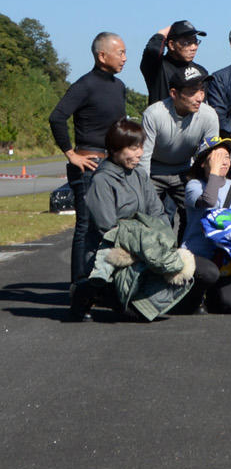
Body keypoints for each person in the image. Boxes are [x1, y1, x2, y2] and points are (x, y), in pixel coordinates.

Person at [67, 117, 168, 320]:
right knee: (139, 314)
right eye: (132, 148)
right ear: (114, 150)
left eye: (140, 147)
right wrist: (144, 247)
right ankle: (87, 290)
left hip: (143, 247)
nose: (139, 153)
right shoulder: (101, 180)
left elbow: (159, 213)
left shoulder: (140, 175)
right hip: (111, 252)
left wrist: (161, 240)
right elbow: (108, 229)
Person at [49, 31, 128, 287]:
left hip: (114, 166)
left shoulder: (119, 87)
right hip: (89, 166)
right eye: (121, 52)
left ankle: (106, 283)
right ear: (102, 55)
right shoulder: (85, 84)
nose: (125, 58)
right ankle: (79, 287)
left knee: (111, 227)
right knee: (86, 226)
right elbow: (57, 117)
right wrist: (71, 154)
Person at [140, 63, 220, 235]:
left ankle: (186, 253)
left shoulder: (209, 115)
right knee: (150, 219)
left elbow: (211, 156)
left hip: (186, 170)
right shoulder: (154, 114)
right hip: (154, 171)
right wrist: (143, 193)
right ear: (174, 94)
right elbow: (143, 157)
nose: (199, 97)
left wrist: (210, 188)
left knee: (196, 217)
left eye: (202, 90)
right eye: (192, 91)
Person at [180, 135, 231, 314]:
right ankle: (193, 297)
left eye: (227, 157)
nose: (223, 161)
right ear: (203, 163)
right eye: (217, 157)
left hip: (226, 256)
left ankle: (213, 294)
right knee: (209, 273)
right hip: (197, 254)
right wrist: (214, 173)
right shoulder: (194, 185)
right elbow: (209, 201)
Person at [141, 20, 205, 104]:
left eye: (195, 42)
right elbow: (152, 50)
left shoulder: (201, 72)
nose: (194, 47)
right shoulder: (157, 68)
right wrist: (162, 33)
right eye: (188, 42)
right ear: (171, 45)